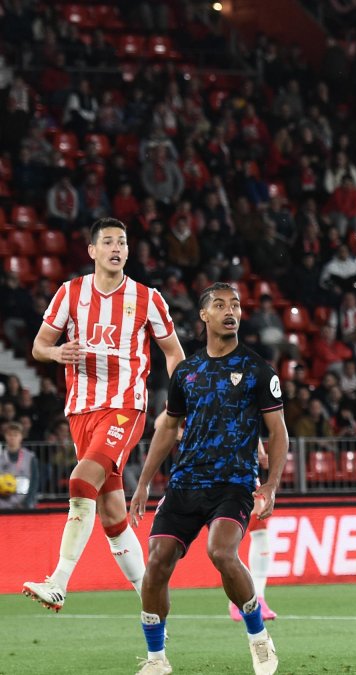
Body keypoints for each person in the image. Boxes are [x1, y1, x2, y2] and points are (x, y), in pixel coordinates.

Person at [23, 218, 185, 612]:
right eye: (108, 241)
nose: (116, 247)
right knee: (112, 513)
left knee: (81, 482)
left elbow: (174, 353)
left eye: (123, 242)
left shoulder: (148, 298)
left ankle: (59, 582)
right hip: (81, 410)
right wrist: (57, 353)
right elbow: (39, 346)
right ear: (93, 251)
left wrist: (177, 405)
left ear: (128, 252)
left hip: (125, 407)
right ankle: (153, 603)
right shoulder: (70, 293)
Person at [129, 283, 284, 675]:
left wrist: (270, 484)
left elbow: (278, 431)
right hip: (185, 483)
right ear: (204, 316)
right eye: (219, 305)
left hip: (233, 484)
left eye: (235, 304)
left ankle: (259, 639)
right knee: (157, 563)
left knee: (220, 552)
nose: (229, 310)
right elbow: (167, 428)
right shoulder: (187, 371)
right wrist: (145, 482)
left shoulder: (257, 371)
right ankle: (156, 659)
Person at [229, 444, 279, 622]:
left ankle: (258, 597)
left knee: (259, 526)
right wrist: (194, 437)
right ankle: (237, 600)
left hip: (245, 467)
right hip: (218, 470)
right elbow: (162, 424)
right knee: (229, 537)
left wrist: (260, 451)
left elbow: (251, 419)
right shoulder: (197, 415)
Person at [0, 422, 39, 509]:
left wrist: (29, 500)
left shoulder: (30, 457)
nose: (12, 438)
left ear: (21, 436)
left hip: (23, 501)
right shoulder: (1, 456)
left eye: (15, 435)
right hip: (3, 501)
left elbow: (34, 480)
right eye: (9, 435)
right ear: (5, 436)